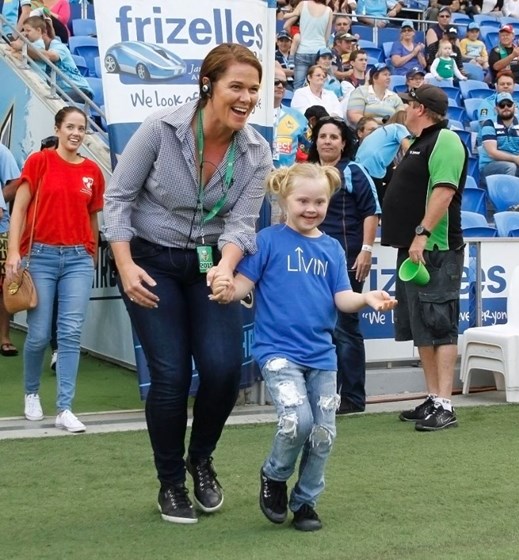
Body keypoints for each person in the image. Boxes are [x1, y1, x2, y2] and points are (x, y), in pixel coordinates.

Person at [102, 44, 273, 524]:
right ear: (209, 86)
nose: (246, 98)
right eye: (236, 86)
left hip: (209, 265)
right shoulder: (160, 130)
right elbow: (117, 200)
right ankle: (171, 482)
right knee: (172, 375)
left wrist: (225, 266)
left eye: (253, 89)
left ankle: (201, 458)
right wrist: (125, 263)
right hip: (150, 260)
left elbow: (242, 224)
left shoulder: (258, 152)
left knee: (222, 369)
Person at [210, 163, 395, 531]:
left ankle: (306, 501)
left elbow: (342, 298)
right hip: (277, 352)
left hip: (322, 356)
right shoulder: (266, 241)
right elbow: (243, 287)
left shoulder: (331, 248)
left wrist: (366, 298)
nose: (311, 209)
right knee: (298, 420)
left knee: (324, 433)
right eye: (303, 201)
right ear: (283, 200)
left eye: (320, 202)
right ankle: (274, 475)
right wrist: (227, 287)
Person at [5, 106, 104, 432]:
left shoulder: (92, 171)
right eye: (71, 127)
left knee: (71, 333)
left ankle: (65, 408)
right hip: (41, 257)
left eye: (82, 128)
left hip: (78, 259)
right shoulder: (40, 162)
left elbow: (93, 216)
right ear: (58, 128)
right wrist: (14, 254)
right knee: (37, 335)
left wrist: (91, 251)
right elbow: (19, 209)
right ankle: (31, 393)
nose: (76, 133)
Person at [381, 85, 468, 432]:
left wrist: (423, 233)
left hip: (436, 247)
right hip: (417, 247)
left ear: (420, 108)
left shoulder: (445, 140)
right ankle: (433, 398)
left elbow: (444, 190)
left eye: (409, 103)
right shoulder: (421, 142)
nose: (405, 108)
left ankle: (445, 403)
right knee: (422, 325)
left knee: (440, 323)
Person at [307, 118, 380, 415]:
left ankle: (352, 398)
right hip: (311, 261)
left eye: (333, 137)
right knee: (320, 326)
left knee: (345, 328)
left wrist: (366, 250)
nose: (327, 141)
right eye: (322, 136)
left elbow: (371, 211)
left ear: (344, 142)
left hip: (348, 260)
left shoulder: (353, 170)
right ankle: (325, 396)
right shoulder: (309, 173)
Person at [478, 92, 519, 189]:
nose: (506, 107)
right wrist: (514, 158)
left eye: (509, 104)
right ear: (496, 109)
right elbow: (492, 153)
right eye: (502, 105)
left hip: (517, 163)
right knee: (510, 167)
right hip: (490, 166)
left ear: (514, 106)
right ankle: (508, 201)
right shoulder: (489, 123)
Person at [355, 109, 412, 202]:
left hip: (359, 167)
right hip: (373, 168)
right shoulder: (400, 128)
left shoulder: (383, 131)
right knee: (376, 206)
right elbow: (410, 152)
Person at [282, 0, 333, 90]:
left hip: (302, 50)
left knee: (298, 86)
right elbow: (327, 36)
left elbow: (286, 24)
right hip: (319, 52)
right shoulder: (329, 10)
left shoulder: (303, 4)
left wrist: (295, 36)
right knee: (320, 85)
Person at [0, 144, 20, 357]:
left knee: (3, 286)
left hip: (1, 231)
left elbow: (15, 184)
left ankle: (4, 336)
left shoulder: (2, 152)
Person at [272, 65, 308, 170]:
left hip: (285, 180)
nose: (280, 86)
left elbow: (309, 148)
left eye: (284, 83)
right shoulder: (252, 115)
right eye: (275, 82)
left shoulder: (298, 117)